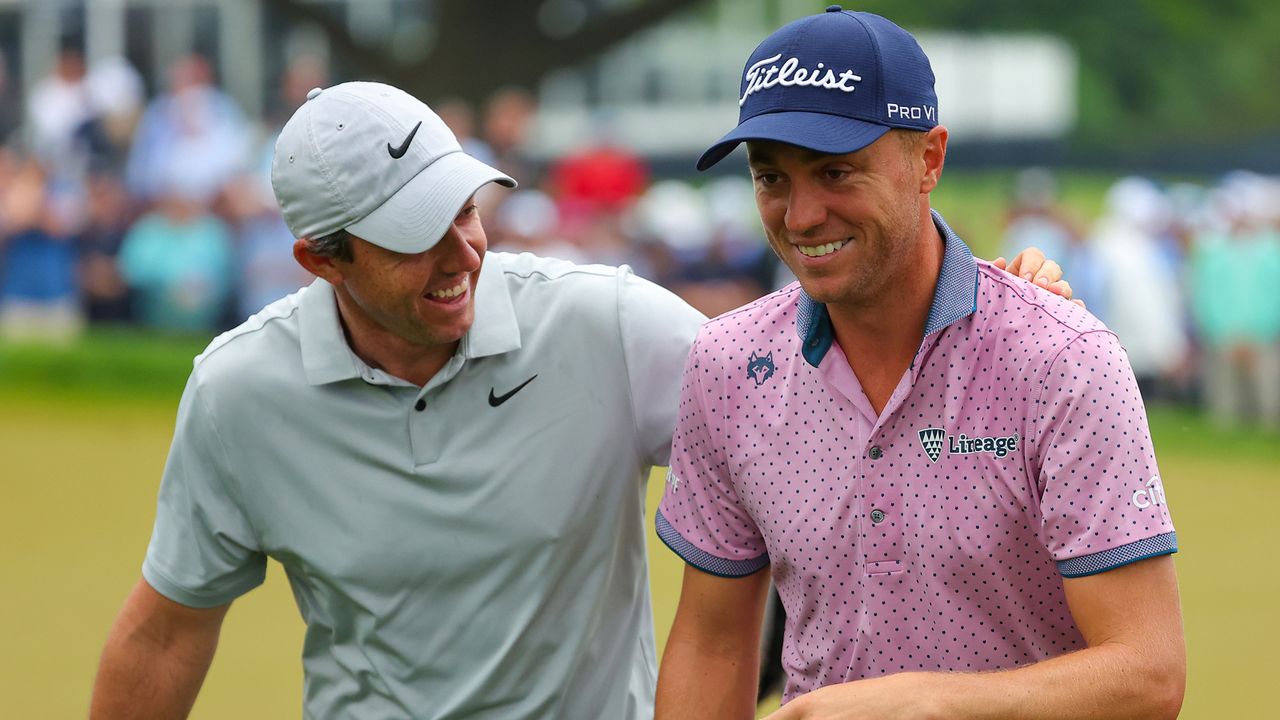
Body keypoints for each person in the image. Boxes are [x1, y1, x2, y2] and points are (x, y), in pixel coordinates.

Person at [89, 81, 1069, 718]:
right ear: (320, 260)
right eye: (411, 232)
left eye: (462, 208)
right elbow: (169, 627)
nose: (461, 249)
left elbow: (816, 404)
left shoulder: (600, 324)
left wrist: (982, 303)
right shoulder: (239, 393)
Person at [654, 8, 1184, 720]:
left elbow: (1148, 674)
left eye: (836, 171)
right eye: (771, 178)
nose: (801, 214)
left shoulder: (1062, 358)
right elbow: (711, 646)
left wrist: (931, 703)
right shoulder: (728, 365)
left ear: (928, 159)